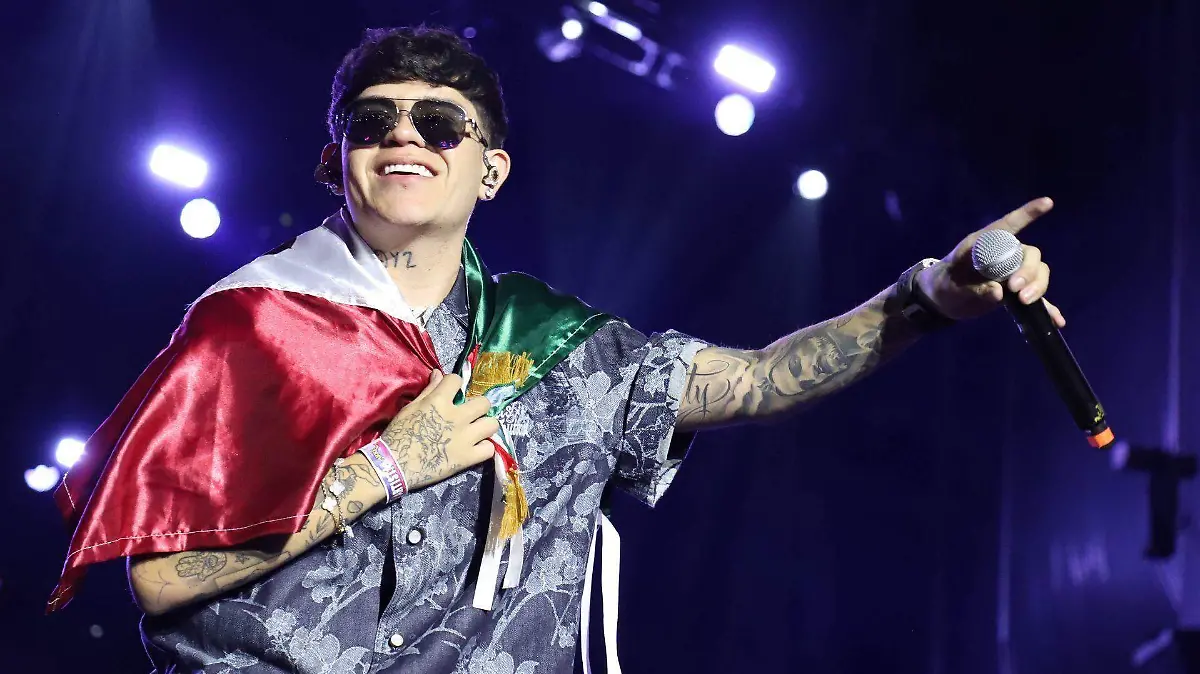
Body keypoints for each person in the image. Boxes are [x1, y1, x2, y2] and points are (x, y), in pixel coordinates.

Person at [49, 26, 1066, 673]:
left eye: (439, 123)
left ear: (489, 170)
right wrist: (386, 468)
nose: (405, 136)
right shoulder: (252, 327)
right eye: (373, 121)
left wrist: (927, 297)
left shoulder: (554, 349)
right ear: (335, 160)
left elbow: (758, 380)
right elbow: (161, 578)